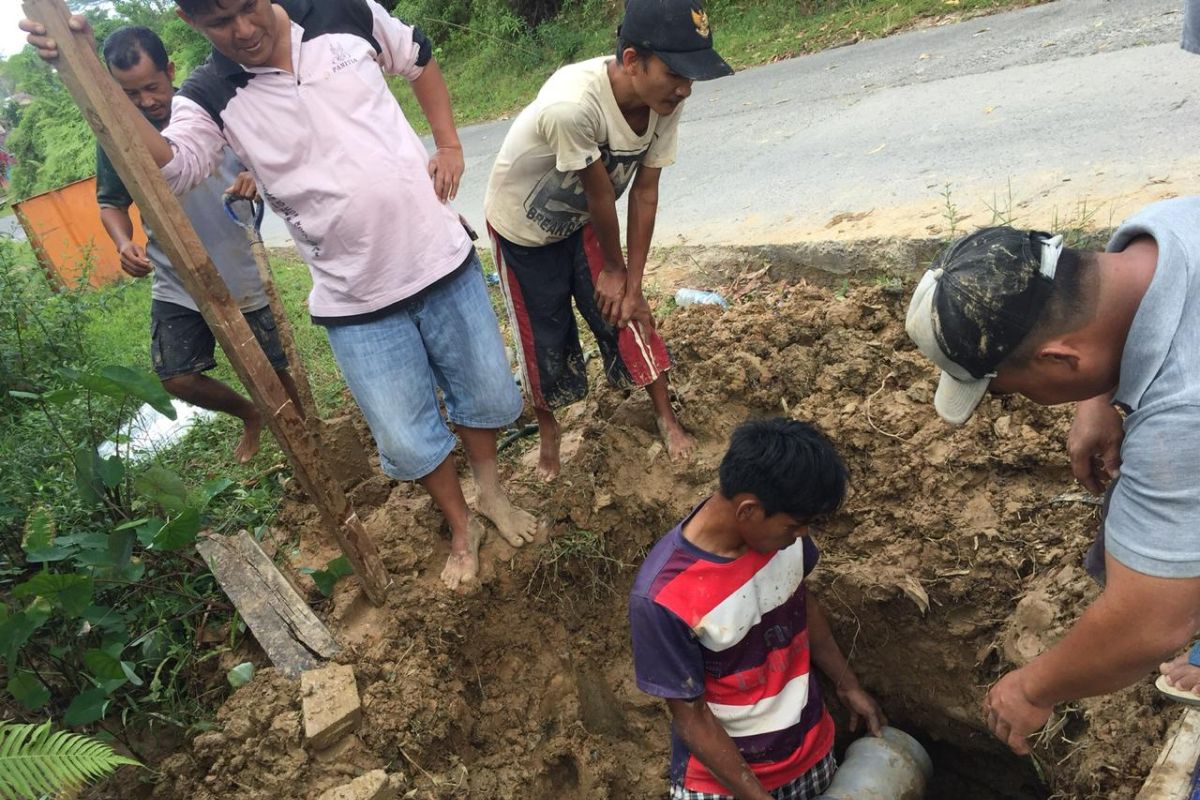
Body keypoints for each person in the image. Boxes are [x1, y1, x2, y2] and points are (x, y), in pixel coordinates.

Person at [22, 0, 537, 591]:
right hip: (353, 302)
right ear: (192, 25)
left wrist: (448, 145)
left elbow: (418, 57)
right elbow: (173, 168)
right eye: (219, 22)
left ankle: (493, 495)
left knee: (488, 395)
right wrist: (91, 76)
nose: (242, 30)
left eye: (246, 8)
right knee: (407, 436)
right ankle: (460, 525)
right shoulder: (209, 93)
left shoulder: (343, 13)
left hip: (441, 261)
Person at [903, 199, 1200, 754]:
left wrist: (1034, 688)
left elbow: (1152, 625)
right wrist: (1099, 395)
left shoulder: (1181, 418)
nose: (1029, 403)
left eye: (1013, 389)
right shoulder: (1164, 231)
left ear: (1061, 359)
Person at [483, 0, 732, 480]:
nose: (685, 87)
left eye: (692, 76)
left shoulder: (665, 101)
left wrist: (632, 284)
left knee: (626, 314)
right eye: (676, 72)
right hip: (523, 231)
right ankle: (550, 439)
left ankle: (665, 415)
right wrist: (615, 272)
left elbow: (645, 194)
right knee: (543, 336)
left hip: (581, 224)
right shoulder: (573, 106)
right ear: (634, 60)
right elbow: (600, 196)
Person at [629, 417, 885, 800]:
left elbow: (800, 604)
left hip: (810, 756)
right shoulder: (664, 597)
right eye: (796, 525)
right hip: (726, 785)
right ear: (748, 510)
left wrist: (848, 684)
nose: (803, 535)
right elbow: (692, 717)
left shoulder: (784, 540)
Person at [95, 25, 301, 465]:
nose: (145, 101)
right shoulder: (115, 137)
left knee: (275, 367)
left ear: (170, 70)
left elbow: (266, 159)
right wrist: (123, 242)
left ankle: (304, 437)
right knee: (177, 376)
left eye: (151, 87)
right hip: (175, 275)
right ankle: (251, 415)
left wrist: (254, 177)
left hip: (239, 263)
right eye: (129, 94)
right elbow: (111, 203)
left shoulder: (211, 104)